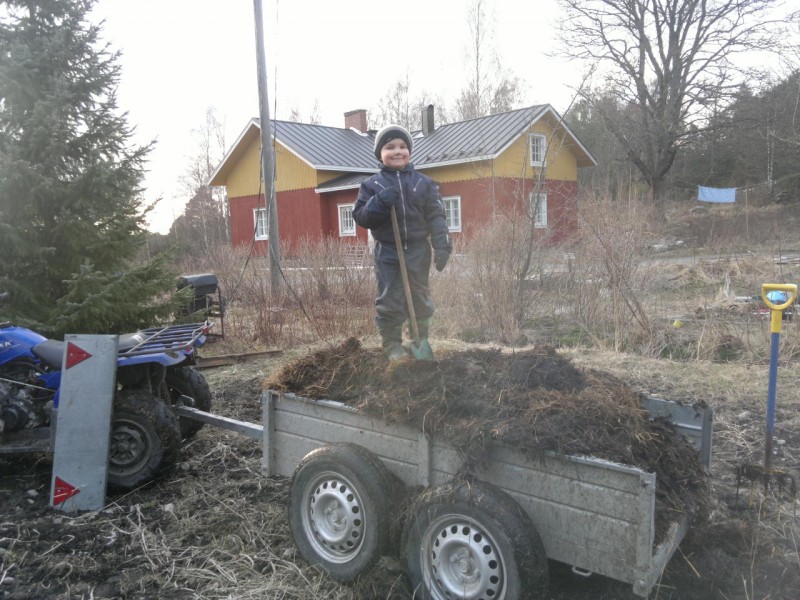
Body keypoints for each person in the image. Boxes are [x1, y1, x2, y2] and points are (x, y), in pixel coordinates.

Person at [353, 124, 452, 360]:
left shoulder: (424, 184)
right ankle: (392, 345)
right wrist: (379, 202)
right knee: (391, 296)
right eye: (390, 147)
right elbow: (362, 217)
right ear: (380, 154)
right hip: (388, 251)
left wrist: (442, 244)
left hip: (418, 249)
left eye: (402, 146)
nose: (397, 151)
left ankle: (420, 339)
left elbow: (437, 216)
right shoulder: (372, 186)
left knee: (419, 294)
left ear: (409, 151)